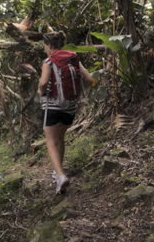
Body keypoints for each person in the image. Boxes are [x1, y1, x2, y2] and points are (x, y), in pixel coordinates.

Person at [37, 31, 93, 194]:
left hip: (53, 106)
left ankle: (61, 176)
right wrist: (77, 95)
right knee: (60, 139)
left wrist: (41, 91)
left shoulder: (49, 61)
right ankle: (58, 173)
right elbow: (89, 80)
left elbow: (44, 82)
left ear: (49, 46)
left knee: (51, 141)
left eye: (45, 46)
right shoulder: (74, 59)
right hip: (70, 106)